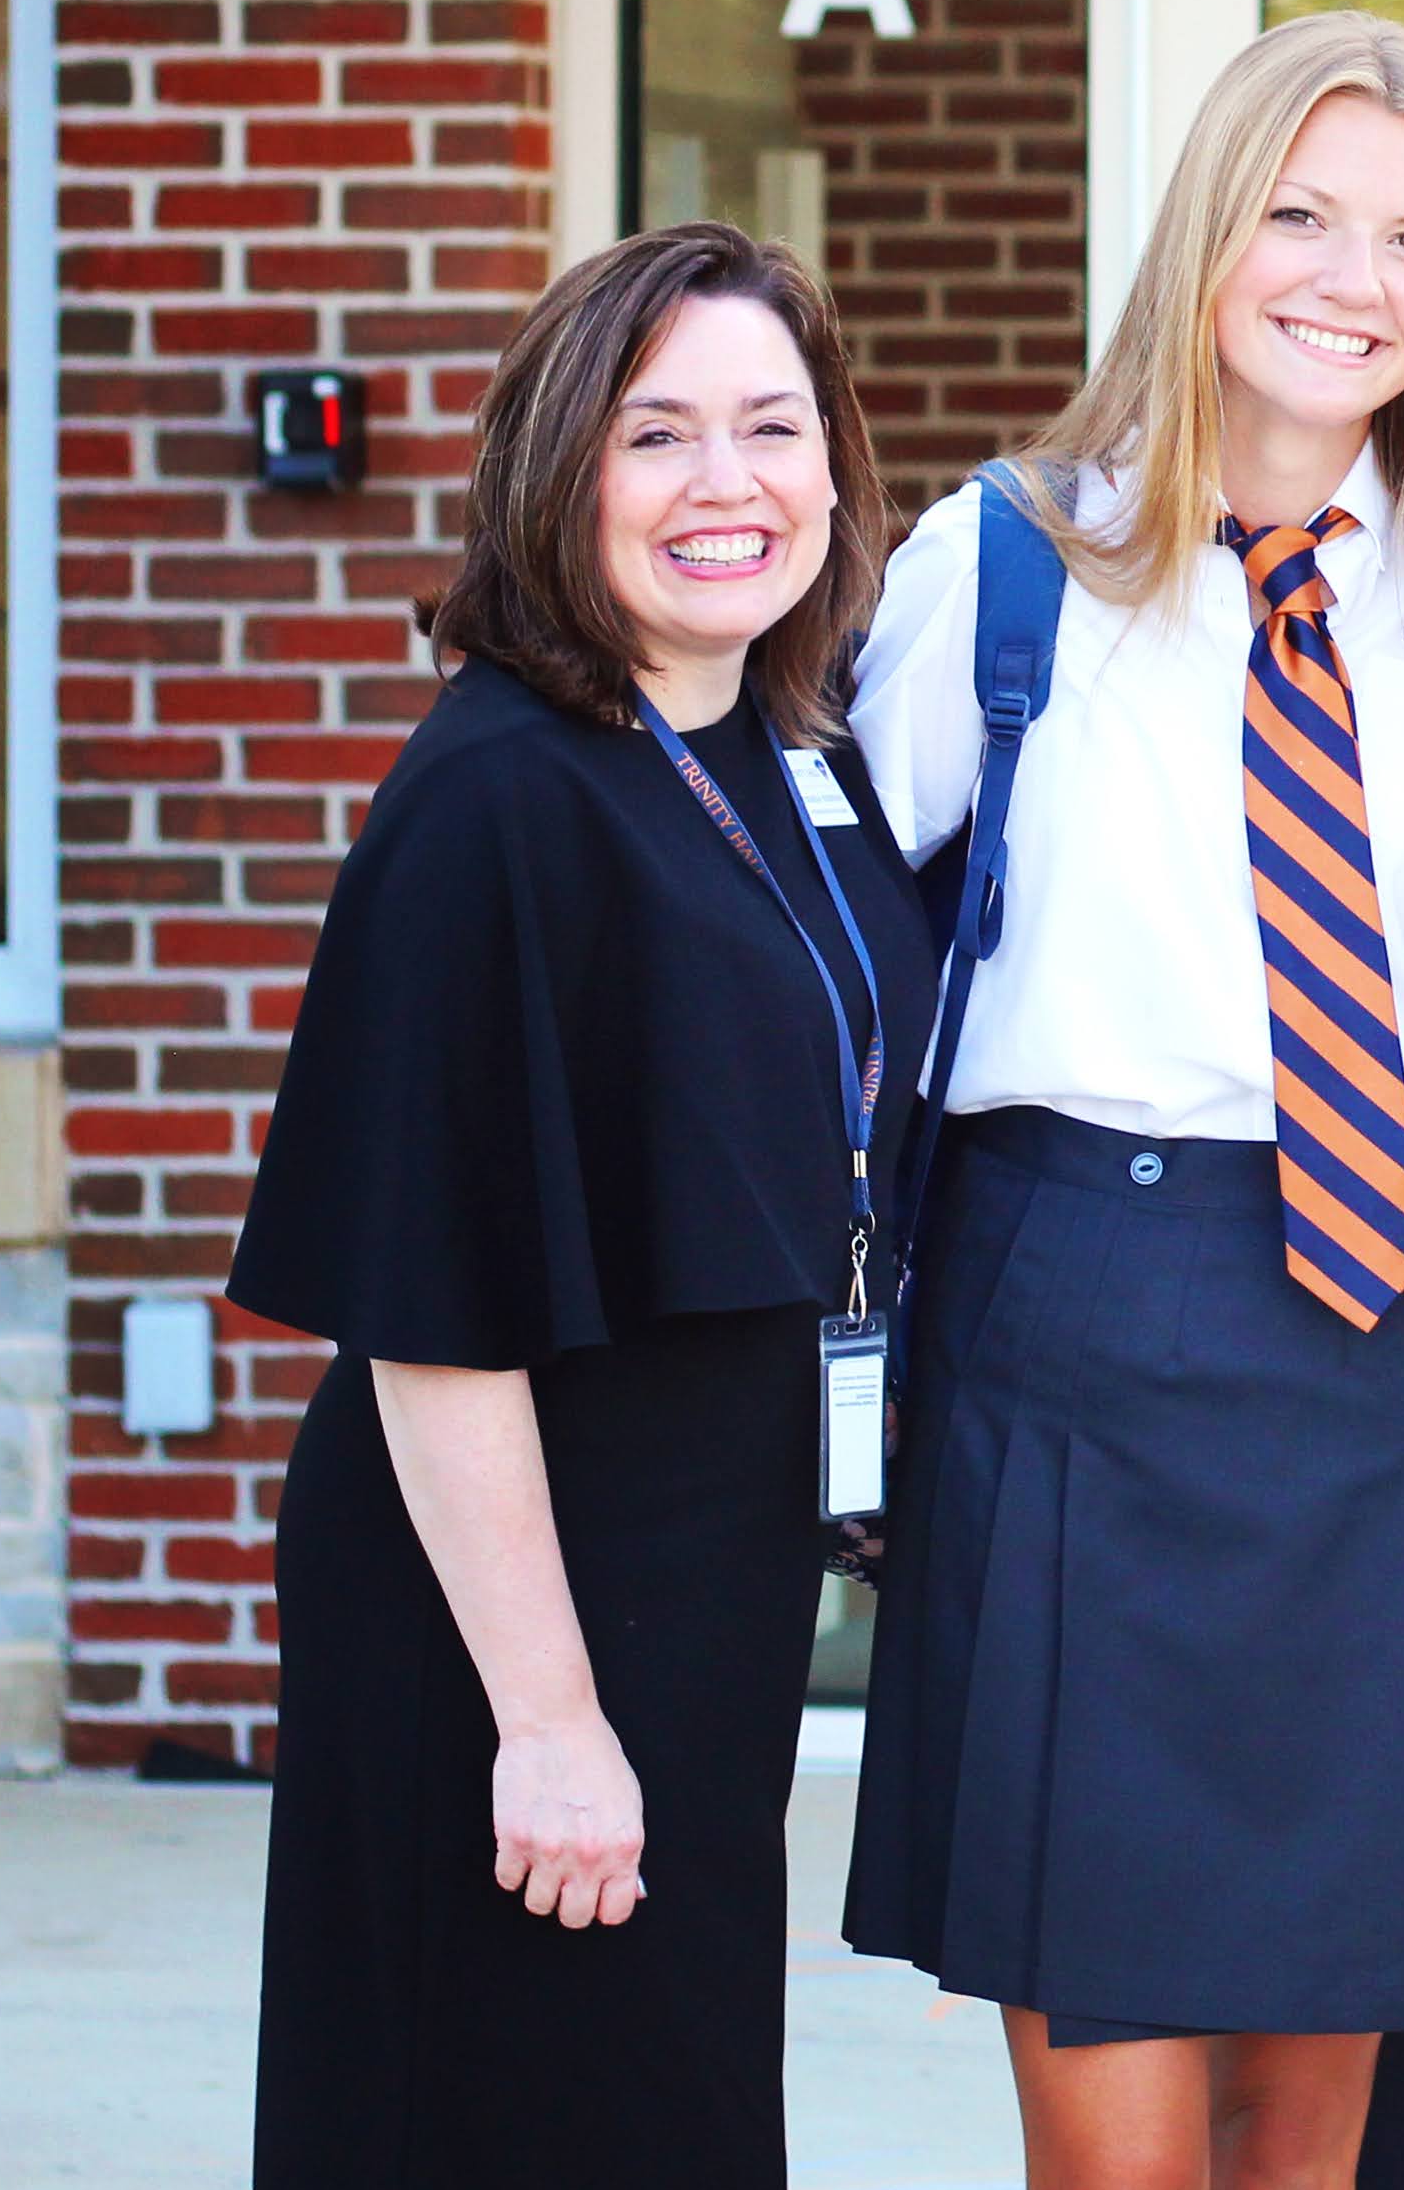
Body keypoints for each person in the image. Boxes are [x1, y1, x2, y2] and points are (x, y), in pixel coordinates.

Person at [840, 10, 1404, 2190]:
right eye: (1301, 215)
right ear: (1206, 231)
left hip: (1393, 1327)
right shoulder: (1003, 568)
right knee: (1117, 2126)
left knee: (1315, 2124)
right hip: (1084, 1317)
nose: (1353, 280)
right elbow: (825, 957)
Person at [230, 224, 934, 2188]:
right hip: (512, 1606)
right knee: (513, 2116)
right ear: (563, 468)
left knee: (658, 2112)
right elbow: (431, 1318)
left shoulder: (776, 748)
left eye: (773, 426)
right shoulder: (496, 798)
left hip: (697, 1587)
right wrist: (545, 1718)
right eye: (660, 433)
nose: (730, 482)